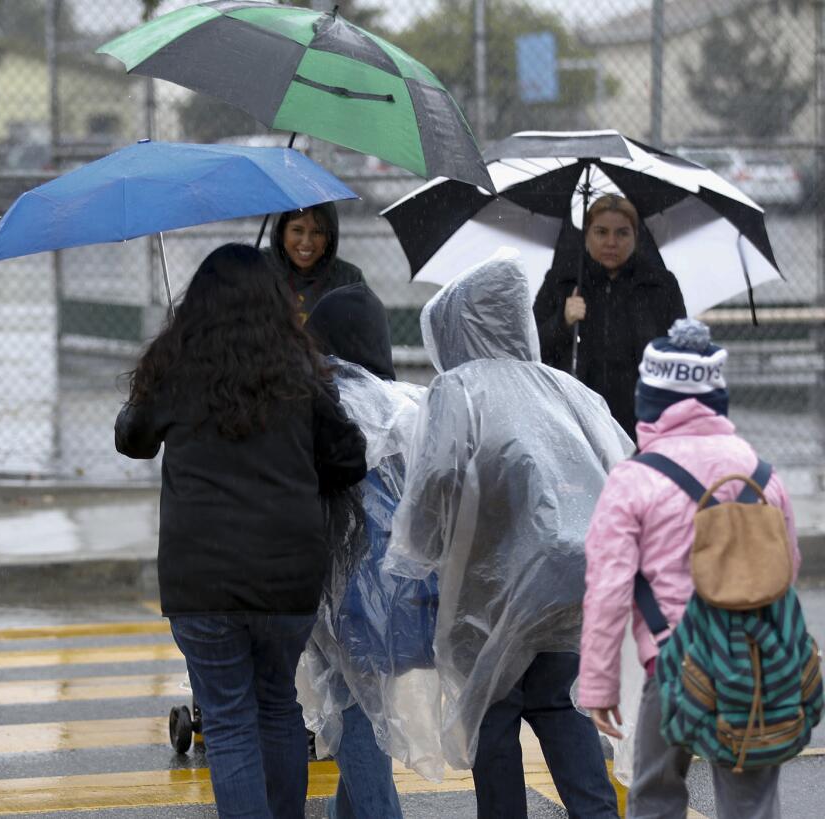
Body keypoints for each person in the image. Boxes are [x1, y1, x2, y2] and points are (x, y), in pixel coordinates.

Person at [115, 243, 366, 819]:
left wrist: (150, 386)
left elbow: (132, 439)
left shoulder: (175, 370)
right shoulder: (302, 372)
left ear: (197, 305)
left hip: (200, 578)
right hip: (288, 576)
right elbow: (348, 459)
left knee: (228, 719)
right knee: (278, 705)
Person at [387, 250, 631, 819]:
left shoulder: (458, 390)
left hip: (493, 591)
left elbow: (436, 482)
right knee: (557, 704)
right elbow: (620, 463)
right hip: (576, 576)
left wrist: (415, 553)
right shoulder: (565, 390)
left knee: (493, 718)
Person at [579, 319, 801, 818]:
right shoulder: (760, 472)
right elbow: (786, 568)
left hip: (674, 662)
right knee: (751, 804)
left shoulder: (632, 479)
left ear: (649, 398)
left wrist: (599, 684)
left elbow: (608, 588)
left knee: (656, 796)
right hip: (756, 663)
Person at [299, 282, 433, 818]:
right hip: (406, 597)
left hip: (342, 597)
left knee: (351, 712)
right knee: (366, 710)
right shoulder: (408, 404)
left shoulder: (329, 404)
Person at [533, 193, 686, 438]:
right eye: (601, 232)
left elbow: (680, 354)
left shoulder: (659, 285)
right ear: (587, 235)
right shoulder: (562, 281)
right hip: (577, 420)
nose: (611, 242)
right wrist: (563, 322)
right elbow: (532, 349)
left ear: (636, 236)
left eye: (622, 233)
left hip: (643, 421)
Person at [264, 202, 364, 324]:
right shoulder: (257, 269)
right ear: (281, 233)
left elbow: (362, 334)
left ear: (329, 237)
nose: (306, 242)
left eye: (317, 232)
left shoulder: (348, 279)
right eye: (297, 230)